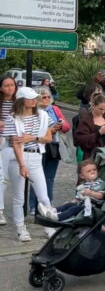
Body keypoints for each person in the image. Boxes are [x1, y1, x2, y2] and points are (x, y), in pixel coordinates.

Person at [3, 87, 56, 241]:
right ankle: (20, 228)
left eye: (35, 98)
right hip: (17, 158)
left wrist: (32, 138)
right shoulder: (12, 118)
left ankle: (49, 227)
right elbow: (15, 143)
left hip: (36, 156)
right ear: (22, 100)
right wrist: (22, 165)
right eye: (31, 98)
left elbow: (48, 138)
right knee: (19, 196)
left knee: (43, 196)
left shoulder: (43, 115)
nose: (34, 100)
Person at [29, 86, 70, 215]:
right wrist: (52, 129)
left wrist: (60, 125)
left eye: (48, 97)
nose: (46, 99)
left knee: (49, 178)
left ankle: (48, 203)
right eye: (43, 97)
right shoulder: (33, 111)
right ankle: (33, 205)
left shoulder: (55, 109)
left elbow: (67, 127)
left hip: (53, 146)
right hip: (39, 146)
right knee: (36, 177)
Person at [40, 159, 105, 221]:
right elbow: (77, 198)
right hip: (82, 204)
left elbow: (102, 196)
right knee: (68, 205)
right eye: (89, 171)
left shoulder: (100, 183)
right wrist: (71, 202)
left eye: (94, 169)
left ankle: (58, 217)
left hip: (92, 207)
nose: (92, 172)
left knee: (73, 209)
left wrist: (92, 193)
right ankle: (52, 211)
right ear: (82, 176)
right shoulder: (83, 185)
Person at [74, 94, 105, 160]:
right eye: (100, 109)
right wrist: (99, 133)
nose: (103, 111)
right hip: (91, 157)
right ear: (94, 106)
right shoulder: (86, 121)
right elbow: (80, 140)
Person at [0, 74, 16, 225]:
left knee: (16, 178)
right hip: (2, 142)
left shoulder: (19, 103)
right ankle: (0, 210)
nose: (10, 88)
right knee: (2, 177)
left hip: (16, 142)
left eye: (12, 85)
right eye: (7, 85)